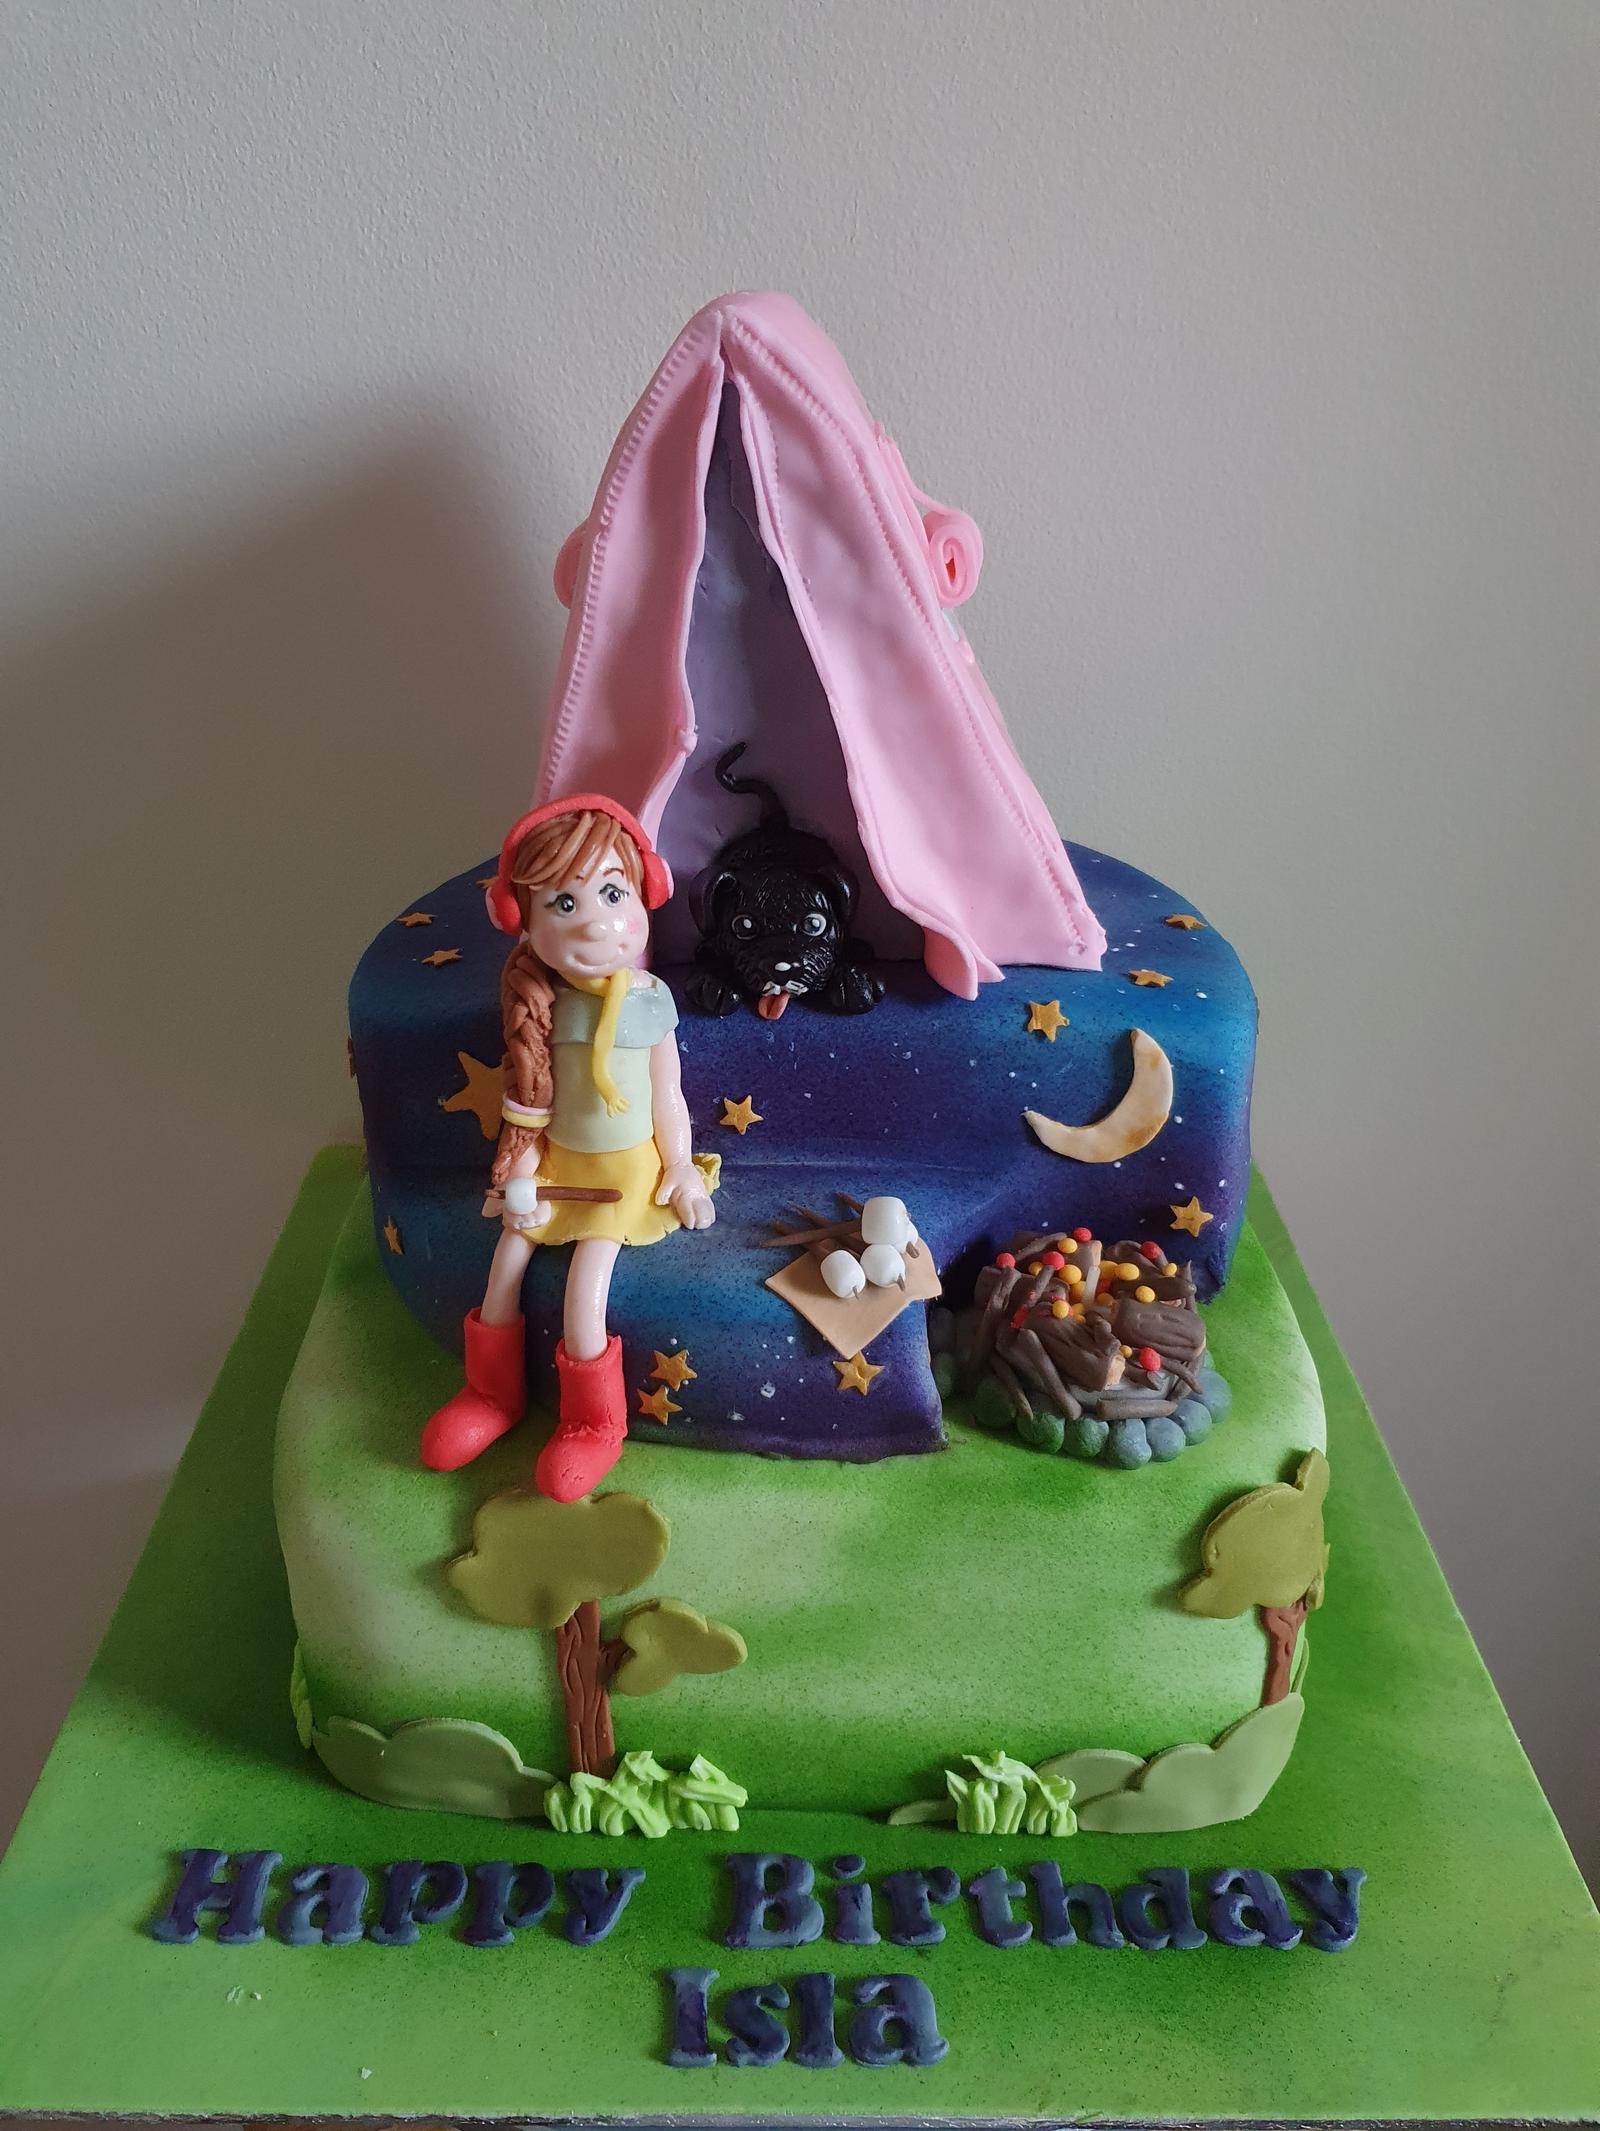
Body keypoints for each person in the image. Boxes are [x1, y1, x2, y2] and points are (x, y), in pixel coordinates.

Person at [420, 794, 717, 1500]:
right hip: (556, 1162)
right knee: (504, 1266)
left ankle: (594, 1422)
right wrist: (518, 1173)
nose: (595, 921)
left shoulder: (650, 998)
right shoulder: (538, 1005)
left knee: (587, 1289)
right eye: (562, 903)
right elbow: (531, 1102)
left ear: (645, 892)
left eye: (612, 892)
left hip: (625, 1171)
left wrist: (680, 1166)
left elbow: (667, 1094)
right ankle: (491, 1395)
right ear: (521, 919)